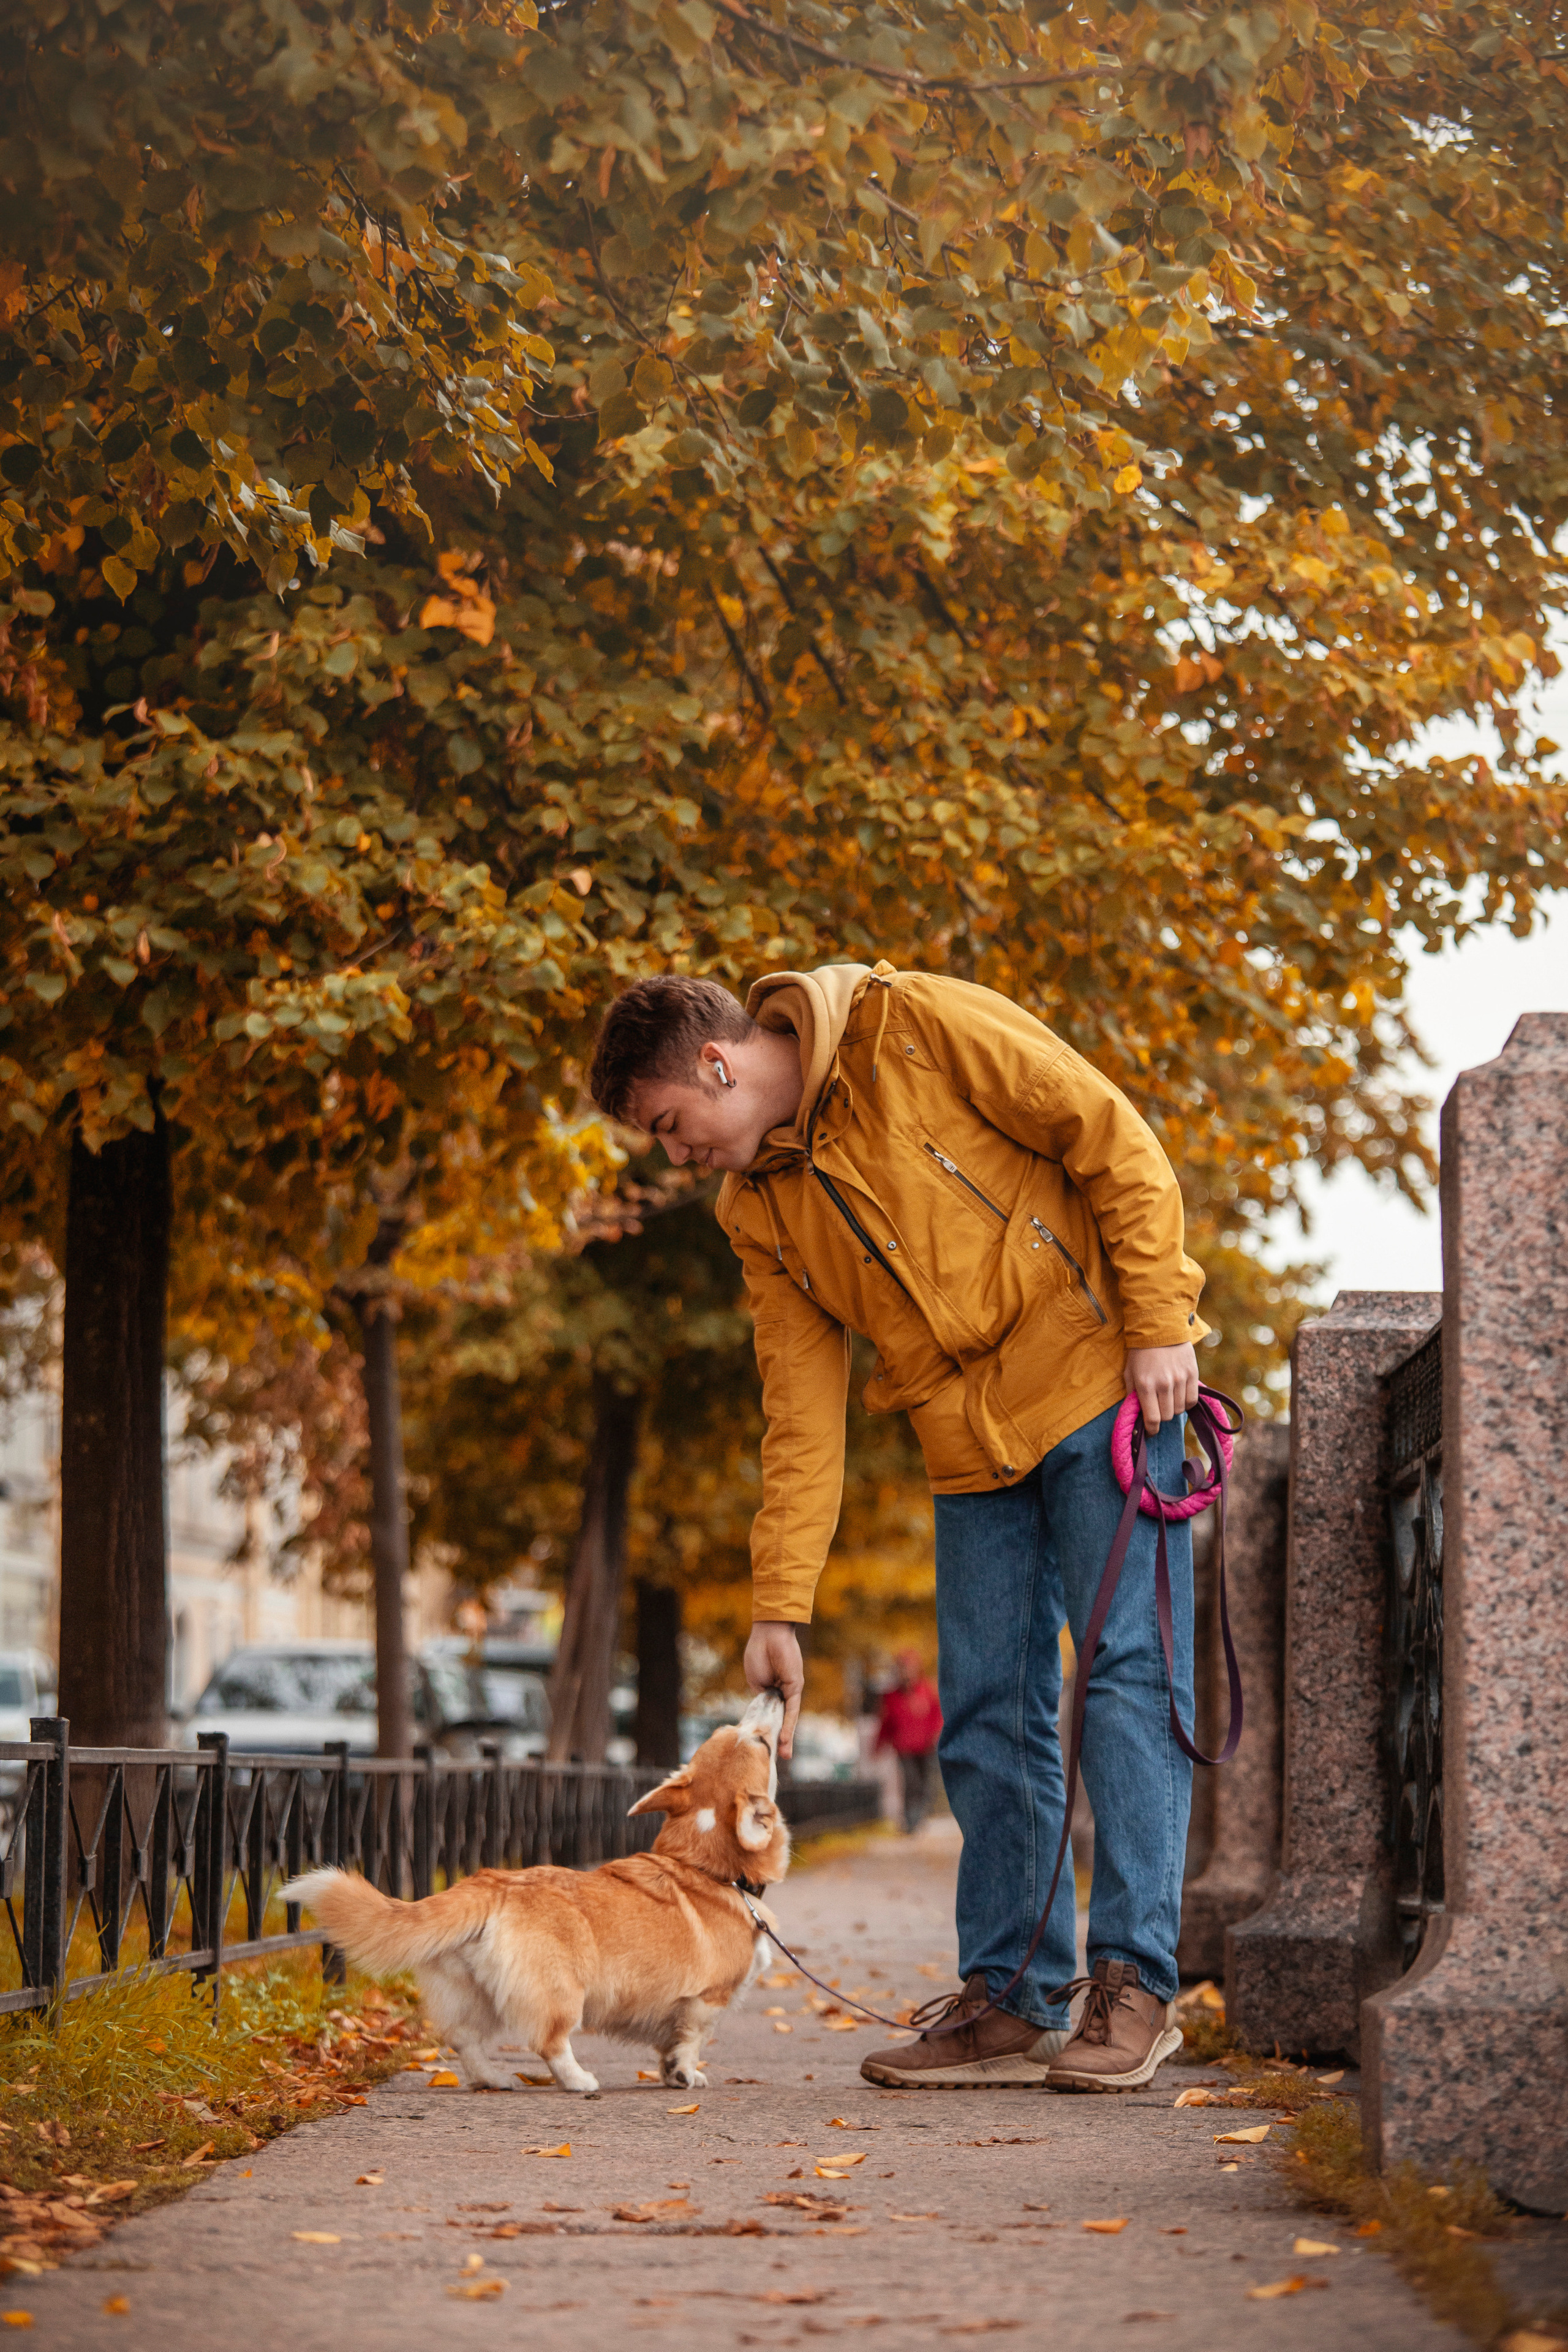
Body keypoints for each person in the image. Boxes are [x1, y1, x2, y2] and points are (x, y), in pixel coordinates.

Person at [587, 962, 1205, 2094]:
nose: (679, 1157)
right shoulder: (757, 1210)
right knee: (982, 1716)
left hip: (1098, 1388)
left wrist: (1162, 1319)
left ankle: (1136, 1985)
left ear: (718, 1065)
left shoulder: (909, 1023)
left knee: (1126, 1677)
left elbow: (1108, 1133)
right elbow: (801, 1411)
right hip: (964, 1446)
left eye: (673, 1127)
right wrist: (781, 1601)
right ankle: (1013, 2006)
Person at [876, 1649, 943, 1834]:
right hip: (904, 1748)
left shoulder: (928, 1691)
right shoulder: (891, 1696)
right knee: (910, 1783)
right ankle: (910, 1821)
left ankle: (919, 1816)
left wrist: (937, 1734)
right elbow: (886, 1723)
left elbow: (938, 1716)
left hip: (927, 1747)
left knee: (926, 1785)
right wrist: (878, 1745)